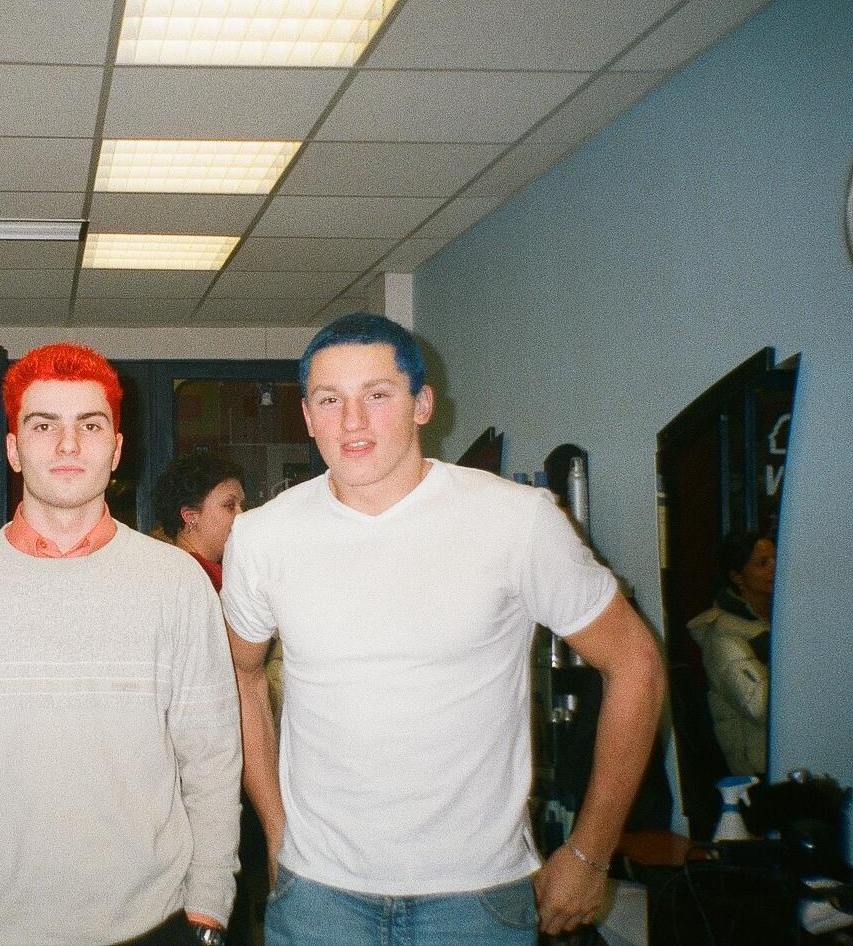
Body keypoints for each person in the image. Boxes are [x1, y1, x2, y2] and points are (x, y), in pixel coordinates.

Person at [221, 313, 666, 944]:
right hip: (319, 895)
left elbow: (636, 662)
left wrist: (591, 850)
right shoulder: (262, 536)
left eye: (377, 395)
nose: (352, 421)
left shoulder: (516, 521)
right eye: (330, 400)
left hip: (476, 900)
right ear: (307, 415)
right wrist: (275, 826)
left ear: (422, 404)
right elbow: (241, 673)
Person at [0, 343, 241, 946]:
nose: (68, 445)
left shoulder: (177, 582)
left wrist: (208, 908)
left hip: (149, 925)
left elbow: (212, 756)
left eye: (89, 426)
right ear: (13, 449)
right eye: (44, 426)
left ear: (116, 450)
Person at [688, 532, 775, 776]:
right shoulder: (723, 634)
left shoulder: (781, 619)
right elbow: (759, 706)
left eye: (776, 559)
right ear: (738, 578)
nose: (775, 568)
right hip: (757, 768)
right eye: (762, 563)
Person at [151, 448, 247, 592]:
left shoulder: (170, 568)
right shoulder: (191, 578)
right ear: (190, 517)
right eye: (230, 506)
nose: (242, 515)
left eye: (241, 505)